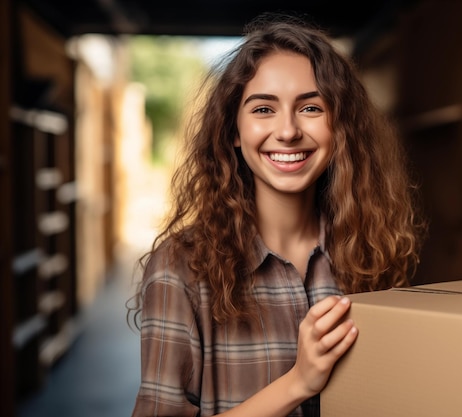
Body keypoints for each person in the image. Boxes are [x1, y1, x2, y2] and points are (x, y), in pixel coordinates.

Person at [127, 11, 426, 417]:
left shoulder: (374, 251)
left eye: (311, 108)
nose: (287, 131)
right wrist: (298, 382)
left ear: (341, 128)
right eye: (263, 109)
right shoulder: (179, 269)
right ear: (233, 131)